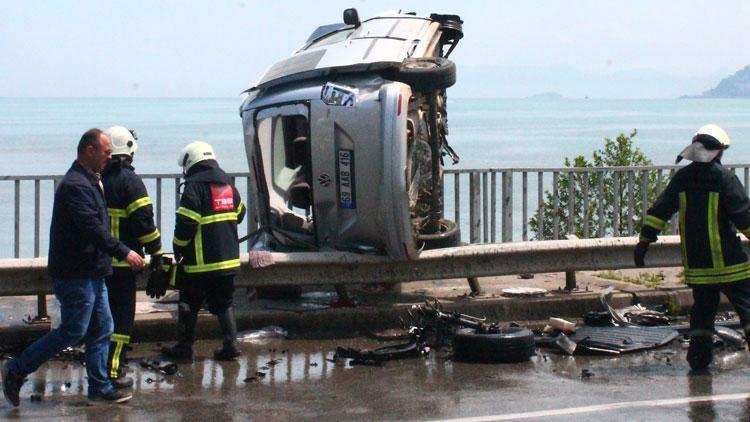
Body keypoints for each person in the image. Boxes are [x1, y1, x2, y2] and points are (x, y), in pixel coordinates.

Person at [2, 128, 144, 406]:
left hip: (93, 270)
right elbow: (92, 228)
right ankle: (17, 369)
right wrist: (124, 251)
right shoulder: (75, 185)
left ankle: (99, 388)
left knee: (103, 328)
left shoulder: (91, 181)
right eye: (105, 152)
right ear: (89, 151)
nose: (110, 157)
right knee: (74, 330)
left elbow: (98, 226)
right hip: (75, 272)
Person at [635, 124, 750, 371]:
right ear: (719, 152)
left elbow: (660, 211)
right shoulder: (725, 178)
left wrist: (645, 240)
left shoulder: (683, 178)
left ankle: (699, 361)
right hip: (730, 265)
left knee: (702, 316)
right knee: (747, 310)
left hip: (699, 267)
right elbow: (744, 217)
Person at [161, 141, 246, 361]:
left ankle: (184, 348)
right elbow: (240, 213)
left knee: (188, 303)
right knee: (224, 303)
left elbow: (186, 225)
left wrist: (178, 248)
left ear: (191, 162)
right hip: (228, 262)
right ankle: (231, 345)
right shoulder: (227, 184)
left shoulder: (194, 188)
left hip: (199, 264)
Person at [101, 126, 162, 389]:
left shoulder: (97, 179)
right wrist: (157, 252)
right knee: (122, 320)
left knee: (103, 318)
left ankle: (103, 365)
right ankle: (114, 369)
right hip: (125, 263)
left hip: (99, 263)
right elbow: (144, 223)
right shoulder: (131, 182)